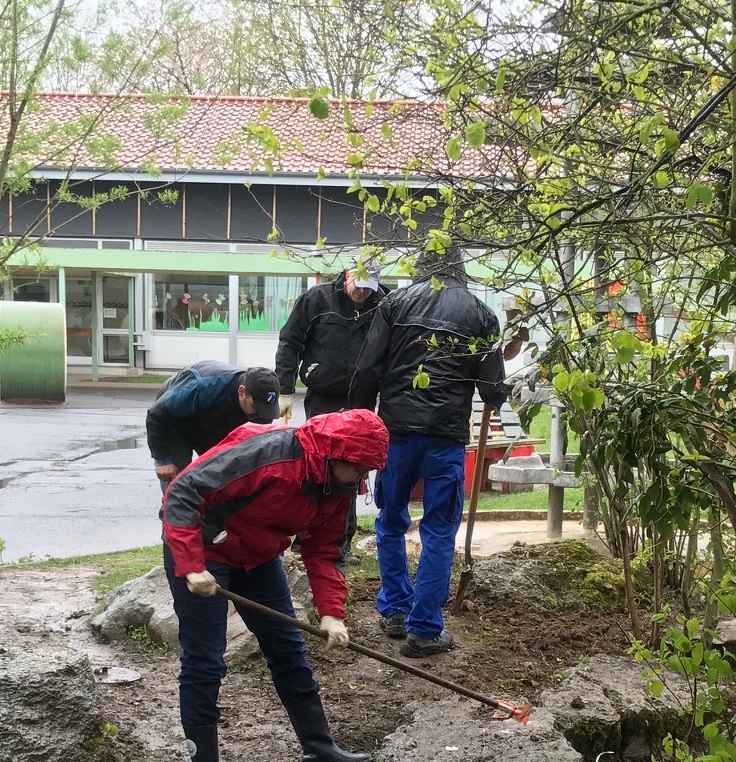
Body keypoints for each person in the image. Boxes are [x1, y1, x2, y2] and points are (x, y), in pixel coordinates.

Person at [161, 407, 391, 762]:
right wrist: (191, 565)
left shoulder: (337, 485)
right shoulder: (269, 455)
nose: (361, 479)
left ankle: (319, 748)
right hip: (205, 549)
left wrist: (332, 613)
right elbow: (183, 491)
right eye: (358, 469)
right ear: (336, 455)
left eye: (367, 471)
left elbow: (324, 549)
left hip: (259, 556)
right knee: (205, 662)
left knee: (288, 649)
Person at [347, 244, 507, 657]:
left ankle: (396, 609)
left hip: (396, 434)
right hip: (445, 438)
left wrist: (359, 427)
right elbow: (491, 389)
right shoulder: (481, 315)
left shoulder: (395, 304)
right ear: (460, 268)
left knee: (390, 520)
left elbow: (367, 369)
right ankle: (424, 630)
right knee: (438, 530)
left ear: (421, 266)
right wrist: (498, 389)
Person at [276, 256, 388, 562]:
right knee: (318, 465)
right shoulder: (317, 300)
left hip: (362, 397)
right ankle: (305, 538)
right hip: (324, 395)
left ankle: (340, 543)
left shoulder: (383, 304)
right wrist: (285, 388)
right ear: (347, 275)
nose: (362, 292)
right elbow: (290, 342)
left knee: (351, 469)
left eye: (369, 287)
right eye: (359, 285)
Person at [144, 361, 279, 484]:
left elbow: (255, 446)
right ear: (242, 392)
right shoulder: (201, 386)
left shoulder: (261, 408)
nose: (261, 416)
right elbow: (157, 414)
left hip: (210, 424)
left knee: (223, 477)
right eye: (256, 407)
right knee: (179, 480)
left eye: (266, 409)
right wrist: (162, 460)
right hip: (175, 422)